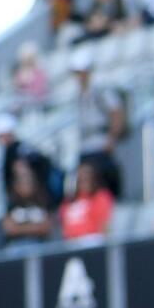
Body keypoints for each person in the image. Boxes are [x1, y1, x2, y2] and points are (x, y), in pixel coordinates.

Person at [70, 62, 126, 197]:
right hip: (85, 144)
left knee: (106, 179)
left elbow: (116, 113)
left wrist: (111, 139)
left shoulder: (100, 91)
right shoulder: (78, 95)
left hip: (100, 141)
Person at [0, 159, 56, 242]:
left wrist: (19, 228)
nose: (28, 185)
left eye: (30, 182)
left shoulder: (44, 203)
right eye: (23, 182)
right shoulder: (11, 206)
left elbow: (47, 227)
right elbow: (9, 229)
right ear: (16, 186)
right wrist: (35, 227)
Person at [59, 159, 115, 240]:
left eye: (88, 177)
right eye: (81, 178)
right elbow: (64, 227)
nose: (84, 180)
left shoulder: (101, 197)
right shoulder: (68, 201)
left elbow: (105, 226)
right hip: (71, 245)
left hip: (93, 242)